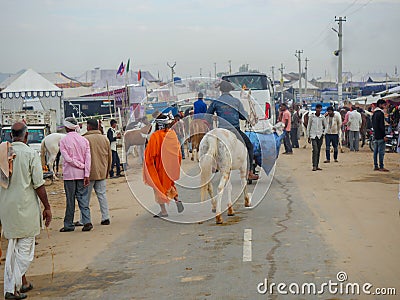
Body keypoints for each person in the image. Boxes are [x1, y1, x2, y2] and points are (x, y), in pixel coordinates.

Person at [0, 122, 52, 299]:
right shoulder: (30, 154)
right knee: (25, 252)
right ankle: (11, 288)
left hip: (6, 209)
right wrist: (48, 207)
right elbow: (39, 184)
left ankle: (17, 285)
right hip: (26, 209)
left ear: (10, 136)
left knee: (12, 249)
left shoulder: (2, 153)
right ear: (27, 136)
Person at [206, 80, 259, 180]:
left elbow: (207, 116)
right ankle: (249, 172)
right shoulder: (236, 101)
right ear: (230, 90)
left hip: (221, 130)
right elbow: (243, 117)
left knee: (211, 145)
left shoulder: (216, 102)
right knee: (249, 146)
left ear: (221, 90)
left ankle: (214, 165)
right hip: (234, 130)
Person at [143, 114, 184, 217]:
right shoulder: (172, 134)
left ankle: (163, 211)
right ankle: (177, 199)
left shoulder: (155, 136)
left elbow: (150, 155)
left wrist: (149, 167)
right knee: (169, 184)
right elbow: (177, 152)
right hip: (169, 167)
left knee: (158, 187)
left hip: (159, 167)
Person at [59, 117, 93, 232]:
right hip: (82, 174)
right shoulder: (84, 140)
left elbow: (67, 159)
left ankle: (68, 225)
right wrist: (86, 172)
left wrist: (78, 165)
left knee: (70, 200)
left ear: (66, 128)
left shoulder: (63, 141)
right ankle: (87, 221)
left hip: (69, 174)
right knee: (83, 198)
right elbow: (88, 159)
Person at [82, 119, 112, 225]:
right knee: (102, 195)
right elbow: (109, 157)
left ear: (89, 127)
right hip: (102, 172)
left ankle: (84, 220)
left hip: (88, 173)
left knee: (85, 198)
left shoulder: (84, 139)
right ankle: (106, 217)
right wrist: (107, 170)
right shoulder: (105, 139)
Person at [307, 104, 326, 171]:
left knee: (318, 150)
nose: (318, 110)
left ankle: (317, 165)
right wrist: (308, 136)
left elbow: (325, 126)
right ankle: (314, 165)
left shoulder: (322, 117)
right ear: (315, 109)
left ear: (321, 109)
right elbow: (309, 126)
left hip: (320, 136)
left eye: (319, 108)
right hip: (313, 135)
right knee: (315, 150)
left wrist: (324, 133)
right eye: (317, 108)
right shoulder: (312, 117)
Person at [372, 99, 389, 172]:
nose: (384, 106)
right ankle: (381, 166)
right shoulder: (380, 114)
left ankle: (376, 166)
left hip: (376, 135)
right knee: (381, 152)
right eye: (384, 105)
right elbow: (381, 126)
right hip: (380, 135)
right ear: (380, 105)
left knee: (375, 152)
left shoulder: (374, 113)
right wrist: (384, 135)